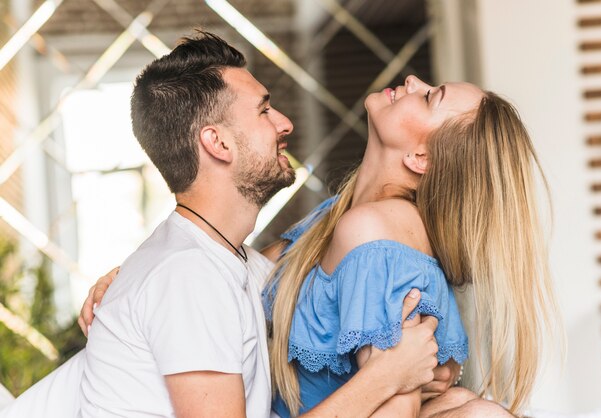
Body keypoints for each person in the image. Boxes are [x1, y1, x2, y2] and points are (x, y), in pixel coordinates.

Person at [80, 45, 560, 418]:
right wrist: (134, 286)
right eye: (265, 111)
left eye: (431, 96)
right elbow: (244, 270)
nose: (413, 79)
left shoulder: (375, 233)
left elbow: (397, 406)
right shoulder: (338, 218)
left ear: (422, 159)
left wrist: (394, 375)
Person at [0, 31, 445, 418]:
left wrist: (437, 370)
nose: (284, 124)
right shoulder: (189, 275)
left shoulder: (230, 264)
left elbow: (308, 280)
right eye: (264, 111)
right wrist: (386, 377)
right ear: (217, 143)